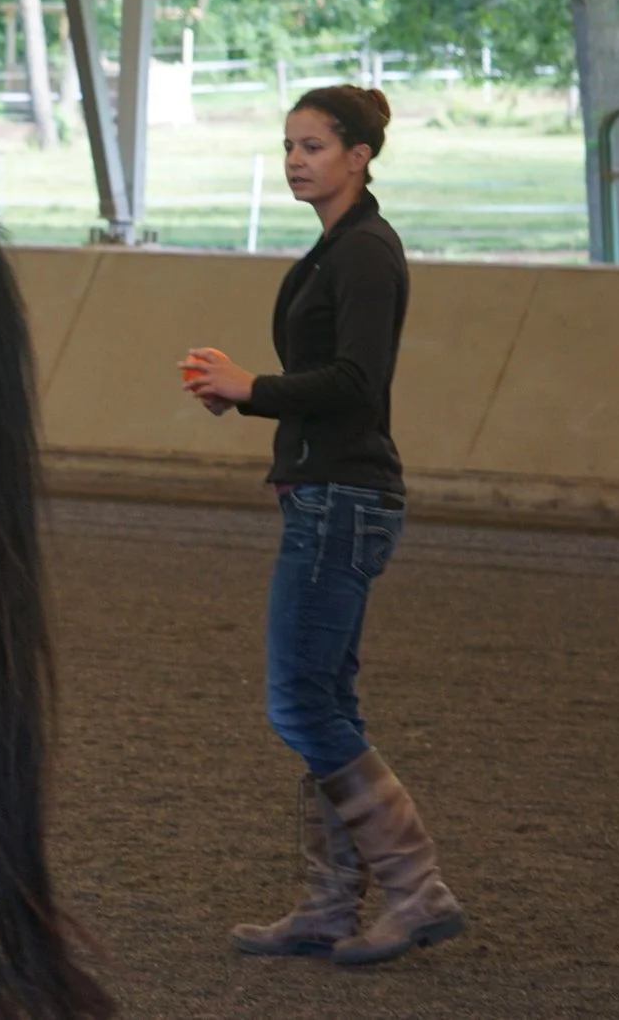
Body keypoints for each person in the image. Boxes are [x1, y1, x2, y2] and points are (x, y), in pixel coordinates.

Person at [180, 85, 467, 966]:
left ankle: (415, 888)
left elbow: (356, 379)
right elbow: (334, 380)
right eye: (289, 146)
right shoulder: (339, 249)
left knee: (301, 703)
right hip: (328, 491)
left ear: (359, 155)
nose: (296, 160)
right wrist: (249, 399)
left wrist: (252, 387)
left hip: (342, 497)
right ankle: (330, 904)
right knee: (322, 702)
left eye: (313, 146)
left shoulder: (365, 254)